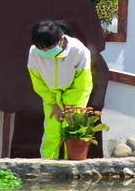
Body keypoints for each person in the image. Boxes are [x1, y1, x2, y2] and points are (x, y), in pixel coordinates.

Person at [28, 18, 94, 159]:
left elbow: (82, 82)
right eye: (41, 49)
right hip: (51, 94)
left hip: (76, 94)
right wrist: (53, 103)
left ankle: (71, 165)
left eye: (48, 48)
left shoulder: (79, 50)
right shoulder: (34, 52)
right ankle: (47, 162)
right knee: (52, 130)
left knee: (71, 130)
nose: (44, 52)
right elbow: (37, 81)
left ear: (61, 40)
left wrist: (69, 106)